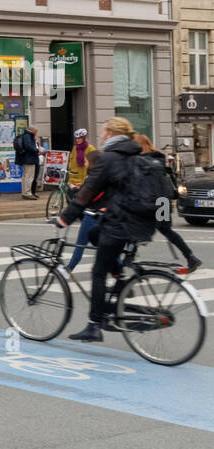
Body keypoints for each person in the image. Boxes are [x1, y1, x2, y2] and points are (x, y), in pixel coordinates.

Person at [56, 116, 154, 342]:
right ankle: (119, 279)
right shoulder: (136, 154)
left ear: (110, 134)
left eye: (103, 132)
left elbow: (89, 189)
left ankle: (93, 325)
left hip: (120, 221)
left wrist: (65, 218)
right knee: (93, 235)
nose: (101, 136)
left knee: (98, 272)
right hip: (139, 221)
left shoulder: (109, 158)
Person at [136, 133, 200, 272]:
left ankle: (131, 264)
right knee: (166, 230)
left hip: (154, 202)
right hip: (164, 200)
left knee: (138, 230)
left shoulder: (143, 162)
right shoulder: (158, 159)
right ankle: (190, 256)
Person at [64, 149, 103, 274]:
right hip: (101, 216)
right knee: (103, 247)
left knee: (80, 245)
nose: (84, 163)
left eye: (86, 161)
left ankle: (68, 270)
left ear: (92, 162)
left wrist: (74, 189)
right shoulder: (102, 175)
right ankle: (118, 272)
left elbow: (84, 196)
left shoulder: (92, 176)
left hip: (90, 216)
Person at [15, 124, 40, 199]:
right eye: (36, 131)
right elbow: (29, 147)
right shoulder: (28, 136)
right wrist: (37, 150)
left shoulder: (26, 135)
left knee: (26, 176)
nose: (36, 133)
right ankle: (27, 193)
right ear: (33, 130)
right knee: (29, 177)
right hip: (29, 159)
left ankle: (25, 192)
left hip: (27, 159)